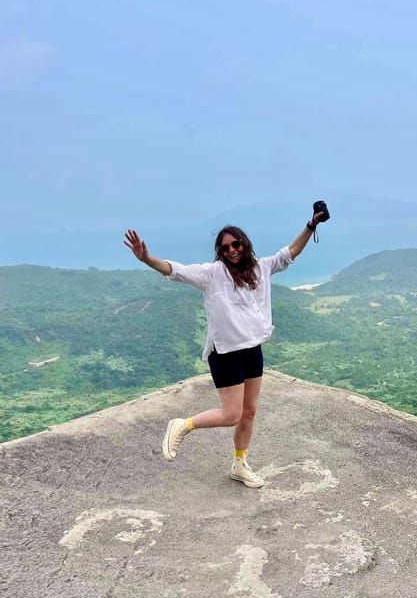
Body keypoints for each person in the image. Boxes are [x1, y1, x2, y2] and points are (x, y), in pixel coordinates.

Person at [123, 205, 328, 488]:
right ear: (220, 252)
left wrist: (311, 224)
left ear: (244, 244)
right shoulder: (212, 274)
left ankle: (239, 463)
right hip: (225, 353)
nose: (232, 250)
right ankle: (183, 425)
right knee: (231, 415)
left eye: (236, 244)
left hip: (252, 350)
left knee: (250, 412)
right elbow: (176, 271)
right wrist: (147, 258)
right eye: (225, 247)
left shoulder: (260, 268)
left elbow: (290, 252)